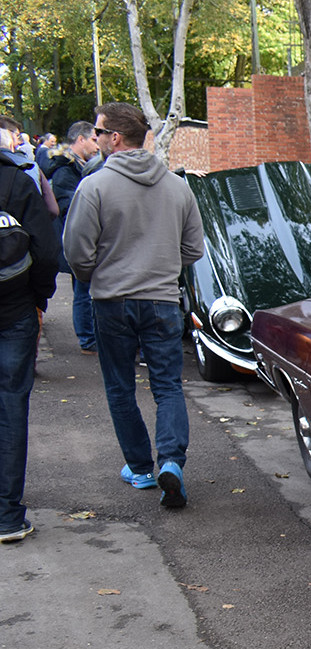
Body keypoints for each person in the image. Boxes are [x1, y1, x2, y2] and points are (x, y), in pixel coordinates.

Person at [63, 101, 203, 510]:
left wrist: (98, 273)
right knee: (167, 385)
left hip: (112, 301)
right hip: (161, 300)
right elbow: (193, 249)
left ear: (115, 138)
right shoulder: (178, 187)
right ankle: (172, 462)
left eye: (99, 132)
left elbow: (76, 253)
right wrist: (161, 264)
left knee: (120, 385)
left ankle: (141, 467)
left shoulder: (94, 187)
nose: (95, 138)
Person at [0, 125, 60, 543]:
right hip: (14, 310)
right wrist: (37, 300)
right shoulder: (17, 181)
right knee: (10, 407)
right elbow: (47, 251)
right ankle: (6, 515)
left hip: (17, 310)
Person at [49, 121, 97, 353]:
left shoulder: (73, 167)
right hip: (77, 241)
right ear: (81, 140)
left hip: (81, 240)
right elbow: (71, 208)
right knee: (83, 291)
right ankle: (87, 339)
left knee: (84, 291)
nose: (97, 146)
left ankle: (89, 337)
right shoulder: (64, 171)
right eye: (93, 140)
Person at [0, 117, 59, 218]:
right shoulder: (29, 166)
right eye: (17, 136)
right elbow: (52, 209)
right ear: (8, 135)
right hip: (25, 227)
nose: (19, 142)